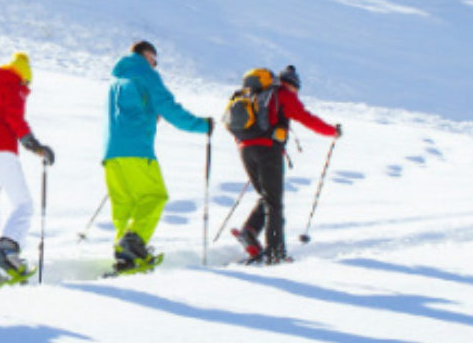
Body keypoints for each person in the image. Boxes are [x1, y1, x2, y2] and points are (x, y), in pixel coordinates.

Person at [102, 40, 212, 274]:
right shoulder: (145, 73)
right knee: (154, 196)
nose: (155, 65)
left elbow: (130, 111)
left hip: (112, 152)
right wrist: (202, 125)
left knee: (125, 204)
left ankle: (125, 254)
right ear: (147, 54)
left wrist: (150, 115)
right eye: (155, 60)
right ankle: (134, 241)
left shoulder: (117, 79)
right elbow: (168, 107)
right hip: (137, 149)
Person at [230, 65, 340, 265]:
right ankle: (276, 252)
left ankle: (250, 231)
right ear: (292, 85)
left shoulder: (254, 95)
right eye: (296, 89)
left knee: (267, 197)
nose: (296, 93)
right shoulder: (283, 94)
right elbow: (306, 118)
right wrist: (332, 131)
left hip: (245, 149)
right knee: (274, 203)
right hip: (268, 151)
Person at [0, 52, 55, 287]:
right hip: (1, 150)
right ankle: (7, 250)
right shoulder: (12, 84)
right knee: (23, 205)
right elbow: (14, 118)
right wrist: (35, 146)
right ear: (24, 76)